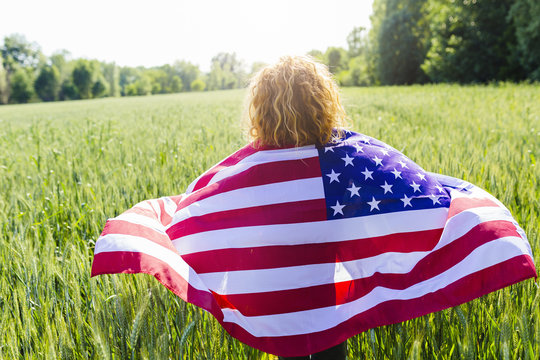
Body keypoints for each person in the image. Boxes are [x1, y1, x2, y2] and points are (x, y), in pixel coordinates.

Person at [245, 55, 349, 360]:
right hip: (328, 302)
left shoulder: (252, 171)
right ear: (320, 105)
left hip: (280, 304)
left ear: (262, 111)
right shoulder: (339, 164)